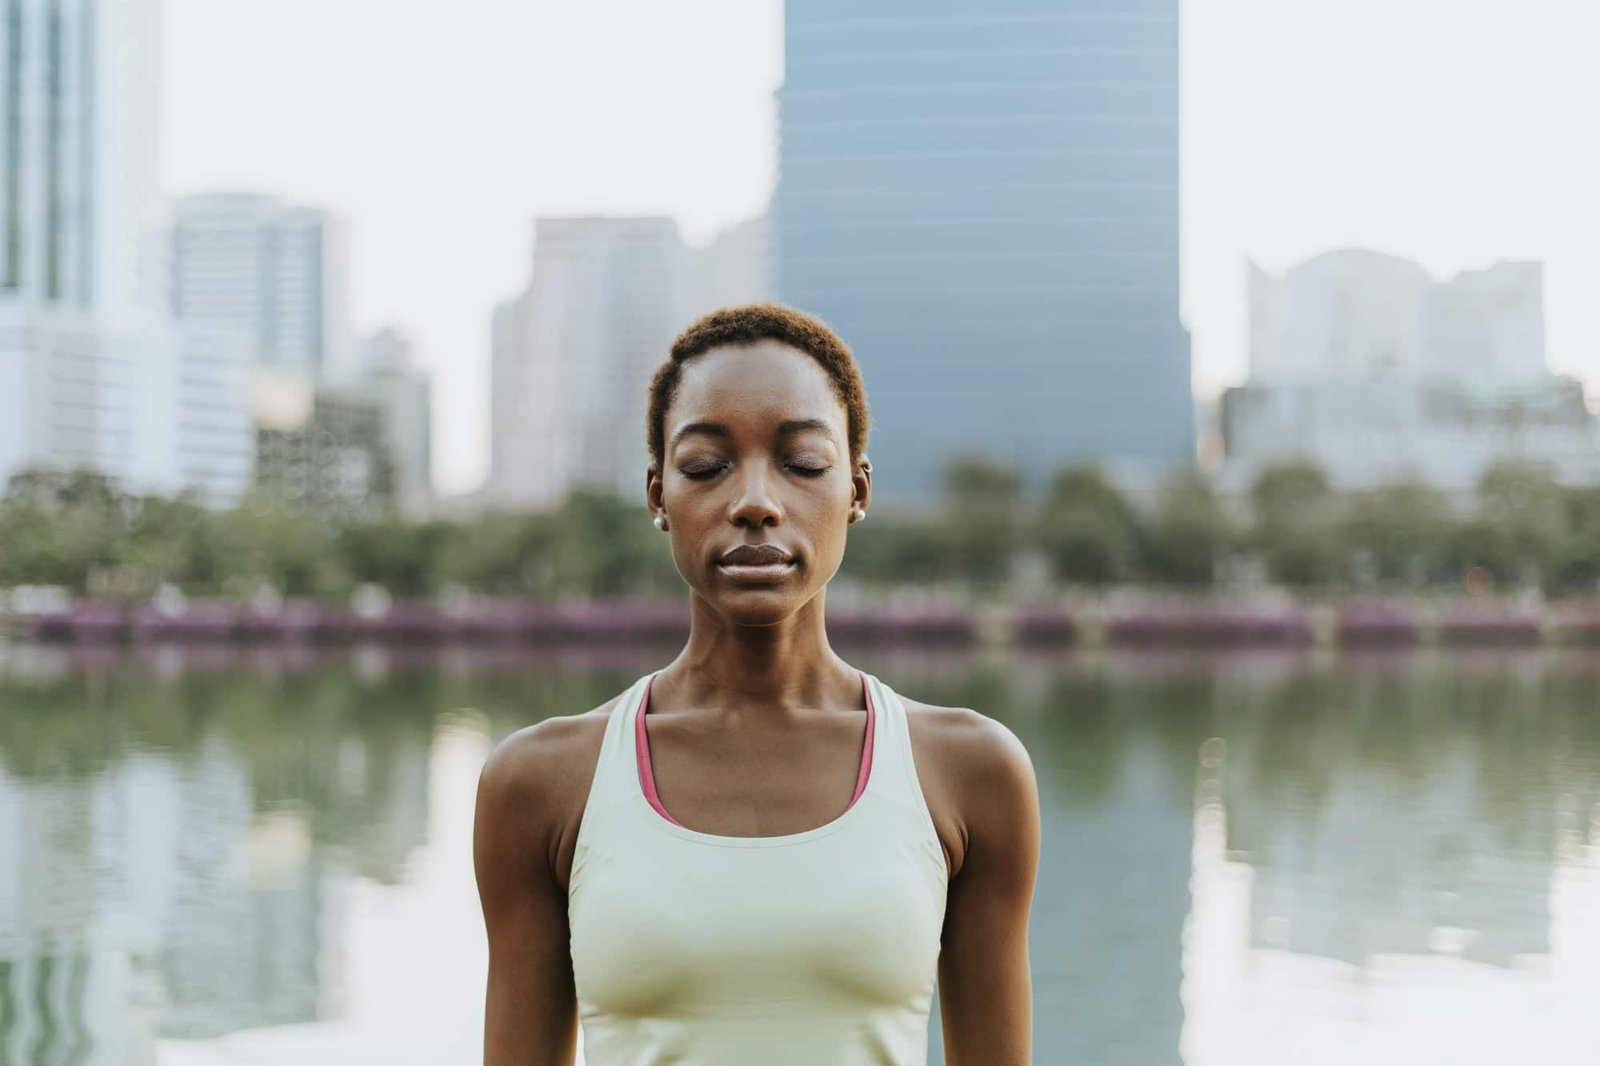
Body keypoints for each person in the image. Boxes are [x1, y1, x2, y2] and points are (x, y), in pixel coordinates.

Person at [473, 303, 1040, 1065]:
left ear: (858, 490)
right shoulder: (541, 783)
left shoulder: (970, 772)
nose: (755, 502)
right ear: (657, 496)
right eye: (707, 466)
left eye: (803, 463)